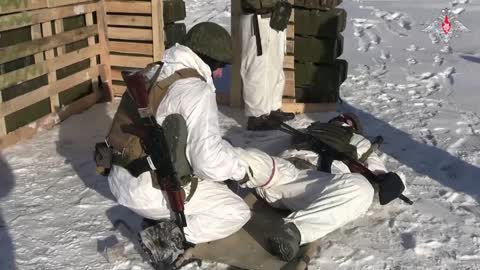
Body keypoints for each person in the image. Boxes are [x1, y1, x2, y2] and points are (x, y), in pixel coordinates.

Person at [106, 22, 251, 253]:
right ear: (205, 58)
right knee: (237, 211)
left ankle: (161, 217)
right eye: (219, 65)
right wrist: (239, 171)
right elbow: (208, 163)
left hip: (120, 176)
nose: (220, 73)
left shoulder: (153, 71)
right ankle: (166, 239)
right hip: (150, 191)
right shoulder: (196, 90)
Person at [234, 113, 402, 261]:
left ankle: (293, 232)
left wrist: (391, 182)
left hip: (317, 185)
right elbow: (269, 149)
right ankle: (217, 178)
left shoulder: (360, 143)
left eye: (347, 120)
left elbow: (380, 174)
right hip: (284, 173)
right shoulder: (308, 131)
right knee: (243, 156)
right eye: (339, 118)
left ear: (354, 128)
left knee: (362, 189)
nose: (342, 120)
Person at [240, 1, 295, 130]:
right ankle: (256, 116)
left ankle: (272, 109)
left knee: (274, 65)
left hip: (276, 16)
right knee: (256, 68)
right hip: (257, 17)